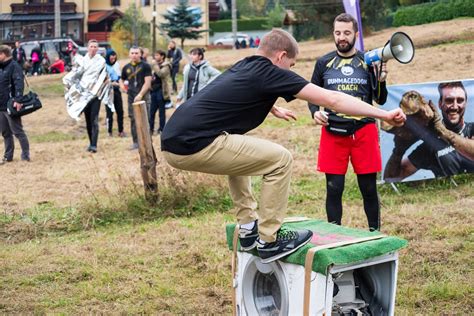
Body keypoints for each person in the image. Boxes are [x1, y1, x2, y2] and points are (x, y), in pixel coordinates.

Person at [160, 29, 405, 264]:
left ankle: (248, 228)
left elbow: (234, 89)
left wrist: (272, 107)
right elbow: (333, 99)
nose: (291, 70)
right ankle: (270, 239)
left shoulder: (246, 64)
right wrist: (382, 114)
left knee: (241, 153)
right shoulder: (272, 73)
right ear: (281, 56)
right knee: (280, 159)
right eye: (292, 64)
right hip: (193, 143)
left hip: (175, 140)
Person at [308, 13, 388, 232]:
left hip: (364, 131)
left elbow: (380, 99)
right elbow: (311, 94)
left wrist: (382, 80)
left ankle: (375, 234)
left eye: (346, 33)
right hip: (333, 132)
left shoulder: (368, 61)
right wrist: (315, 112)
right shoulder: (323, 63)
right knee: (334, 189)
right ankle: (335, 238)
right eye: (337, 33)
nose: (341, 37)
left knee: (369, 189)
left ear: (356, 34)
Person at [384, 81, 474, 180]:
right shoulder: (431, 145)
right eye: (449, 101)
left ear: (466, 103)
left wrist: (443, 131)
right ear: (440, 104)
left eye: (460, 100)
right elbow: (391, 177)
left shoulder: (472, 129)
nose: (455, 106)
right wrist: (398, 150)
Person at [0, 45, 30, 164]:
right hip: (1, 105)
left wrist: (18, 100)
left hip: (11, 104)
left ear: (3, 54)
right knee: (5, 132)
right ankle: (8, 156)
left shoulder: (14, 66)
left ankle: (25, 156)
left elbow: (19, 84)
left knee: (18, 131)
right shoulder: (1, 67)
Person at [120, 46, 152, 150]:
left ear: (140, 54)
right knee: (133, 118)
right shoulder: (126, 67)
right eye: (132, 53)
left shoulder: (146, 66)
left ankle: (146, 142)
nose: (134, 55)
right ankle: (135, 142)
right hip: (131, 96)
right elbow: (121, 79)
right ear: (129, 55)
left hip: (143, 96)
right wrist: (123, 88)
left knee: (144, 119)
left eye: (136, 53)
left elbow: (147, 83)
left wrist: (140, 95)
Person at [149, 49, 171, 135]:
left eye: (157, 55)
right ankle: (150, 128)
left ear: (162, 56)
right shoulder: (154, 66)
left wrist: (154, 65)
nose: (155, 57)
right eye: (155, 55)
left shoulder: (166, 66)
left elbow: (161, 74)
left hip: (161, 91)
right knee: (152, 111)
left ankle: (162, 129)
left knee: (162, 112)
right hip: (153, 91)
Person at [105, 50, 125, 137]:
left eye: (115, 56)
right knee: (109, 113)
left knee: (120, 111)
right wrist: (113, 83)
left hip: (117, 91)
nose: (113, 58)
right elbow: (103, 81)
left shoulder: (116, 65)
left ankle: (121, 131)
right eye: (111, 56)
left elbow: (119, 77)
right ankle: (109, 132)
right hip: (108, 91)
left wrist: (121, 85)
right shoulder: (104, 66)